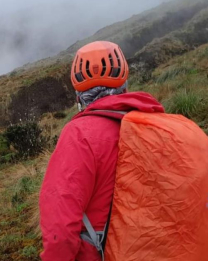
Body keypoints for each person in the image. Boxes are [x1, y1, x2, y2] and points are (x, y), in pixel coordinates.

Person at [38, 41, 164, 261]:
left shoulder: (78, 136)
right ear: (124, 85)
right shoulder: (157, 123)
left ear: (79, 96)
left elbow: (60, 229)